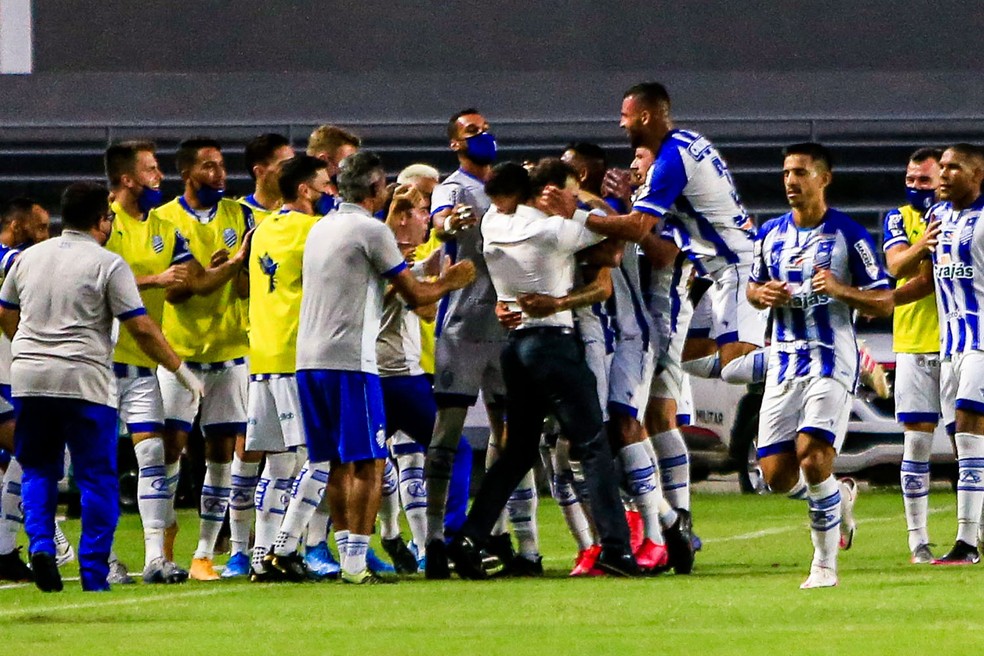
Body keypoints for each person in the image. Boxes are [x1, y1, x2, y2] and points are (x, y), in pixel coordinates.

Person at [266, 151, 475, 584]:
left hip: (309, 360)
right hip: (351, 363)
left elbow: (372, 285)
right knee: (368, 462)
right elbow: (417, 297)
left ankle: (342, 557)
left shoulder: (322, 227)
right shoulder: (370, 229)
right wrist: (452, 280)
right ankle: (357, 564)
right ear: (375, 189)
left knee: (337, 463)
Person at [0, 182, 203, 592]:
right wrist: (182, 372)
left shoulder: (29, 259)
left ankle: (40, 544)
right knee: (96, 478)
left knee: (39, 468)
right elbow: (141, 328)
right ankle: (94, 572)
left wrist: (29, 347)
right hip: (85, 381)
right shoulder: (108, 264)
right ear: (102, 220)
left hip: (30, 379)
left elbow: (5, 311)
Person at [447, 162, 637, 579]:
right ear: (546, 192)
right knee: (592, 446)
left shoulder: (494, 222)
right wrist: (582, 202)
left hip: (515, 348)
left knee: (517, 451)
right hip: (554, 344)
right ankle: (617, 549)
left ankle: (469, 538)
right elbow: (621, 237)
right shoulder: (552, 230)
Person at [747, 143, 893, 589]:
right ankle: (840, 495)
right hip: (784, 364)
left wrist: (840, 289)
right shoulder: (770, 234)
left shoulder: (849, 234)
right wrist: (761, 295)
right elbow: (752, 287)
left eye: (801, 173)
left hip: (832, 360)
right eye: (786, 173)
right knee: (775, 476)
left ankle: (824, 566)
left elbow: (884, 299)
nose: (791, 181)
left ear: (823, 178)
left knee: (812, 455)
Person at [425, 108, 537, 578]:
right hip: (466, 325)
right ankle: (433, 538)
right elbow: (442, 221)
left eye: (487, 128)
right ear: (456, 143)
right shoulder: (455, 187)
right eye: (473, 131)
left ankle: (503, 536)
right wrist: (450, 224)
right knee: (448, 433)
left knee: (511, 436)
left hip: (508, 323)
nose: (483, 135)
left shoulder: (510, 185)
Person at [153, 137, 255, 580]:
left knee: (221, 456)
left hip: (231, 352)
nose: (220, 173)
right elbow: (177, 290)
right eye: (210, 166)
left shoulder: (241, 215)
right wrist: (224, 269)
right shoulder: (164, 219)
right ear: (188, 173)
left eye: (221, 164)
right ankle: (162, 549)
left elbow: (249, 284)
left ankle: (204, 554)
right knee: (168, 450)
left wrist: (227, 271)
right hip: (179, 355)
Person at [104, 141, 199, 583]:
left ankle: (154, 558)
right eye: (151, 169)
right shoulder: (106, 223)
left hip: (141, 364)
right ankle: (102, 557)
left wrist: (228, 264)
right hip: (100, 363)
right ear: (127, 179)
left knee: (153, 455)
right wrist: (153, 279)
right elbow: (96, 277)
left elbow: (190, 277)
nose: (159, 176)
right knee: (98, 461)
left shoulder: (163, 226)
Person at [243, 155, 329, 581]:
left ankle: (260, 557)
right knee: (322, 456)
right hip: (298, 357)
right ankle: (286, 547)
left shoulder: (262, 230)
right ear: (304, 190)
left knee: (277, 466)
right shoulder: (314, 232)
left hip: (262, 357)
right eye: (325, 184)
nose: (331, 191)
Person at [881, 147, 944, 563]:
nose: (916, 187)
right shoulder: (897, 217)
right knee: (917, 444)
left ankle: (969, 535)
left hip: (965, 343)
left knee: (972, 446)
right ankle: (917, 540)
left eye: (925, 180)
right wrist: (924, 243)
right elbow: (894, 264)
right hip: (915, 342)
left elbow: (929, 279)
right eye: (911, 179)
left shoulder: (965, 217)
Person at [926, 143, 984, 565]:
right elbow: (924, 277)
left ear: (977, 175)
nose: (942, 174)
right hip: (950, 347)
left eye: (953, 168)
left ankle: (966, 543)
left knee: (968, 428)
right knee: (964, 443)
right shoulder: (937, 217)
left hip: (981, 341)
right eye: (941, 167)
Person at [0, 197, 62, 583]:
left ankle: (5, 549)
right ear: (19, 226)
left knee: (22, 454)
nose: (46, 236)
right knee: (32, 448)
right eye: (40, 228)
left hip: (8, 374)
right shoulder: (8, 257)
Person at [240, 133, 296, 223]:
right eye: (285, 165)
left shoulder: (298, 211)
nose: (293, 171)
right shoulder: (238, 215)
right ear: (259, 172)